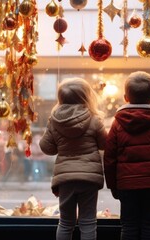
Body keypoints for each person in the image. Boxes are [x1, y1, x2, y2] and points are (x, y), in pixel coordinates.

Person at [103, 71, 150, 240]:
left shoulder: (117, 125)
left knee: (129, 226)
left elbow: (109, 158)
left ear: (125, 97)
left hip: (127, 185)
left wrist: (113, 185)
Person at [39, 77, 107, 240]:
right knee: (88, 222)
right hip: (89, 178)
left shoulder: (54, 121)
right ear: (86, 97)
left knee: (66, 222)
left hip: (66, 179)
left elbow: (46, 147)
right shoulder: (94, 119)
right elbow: (105, 144)